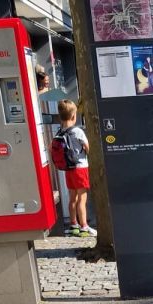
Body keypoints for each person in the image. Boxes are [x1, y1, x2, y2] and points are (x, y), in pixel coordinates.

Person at [58, 100, 97, 237]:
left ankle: (73, 224)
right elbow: (87, 147)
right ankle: (85, 226)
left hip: (68, 169)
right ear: (74, 116)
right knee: (82, 198)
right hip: (80, 168)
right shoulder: (78, 131)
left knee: (72, 198)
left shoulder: (60, 132)